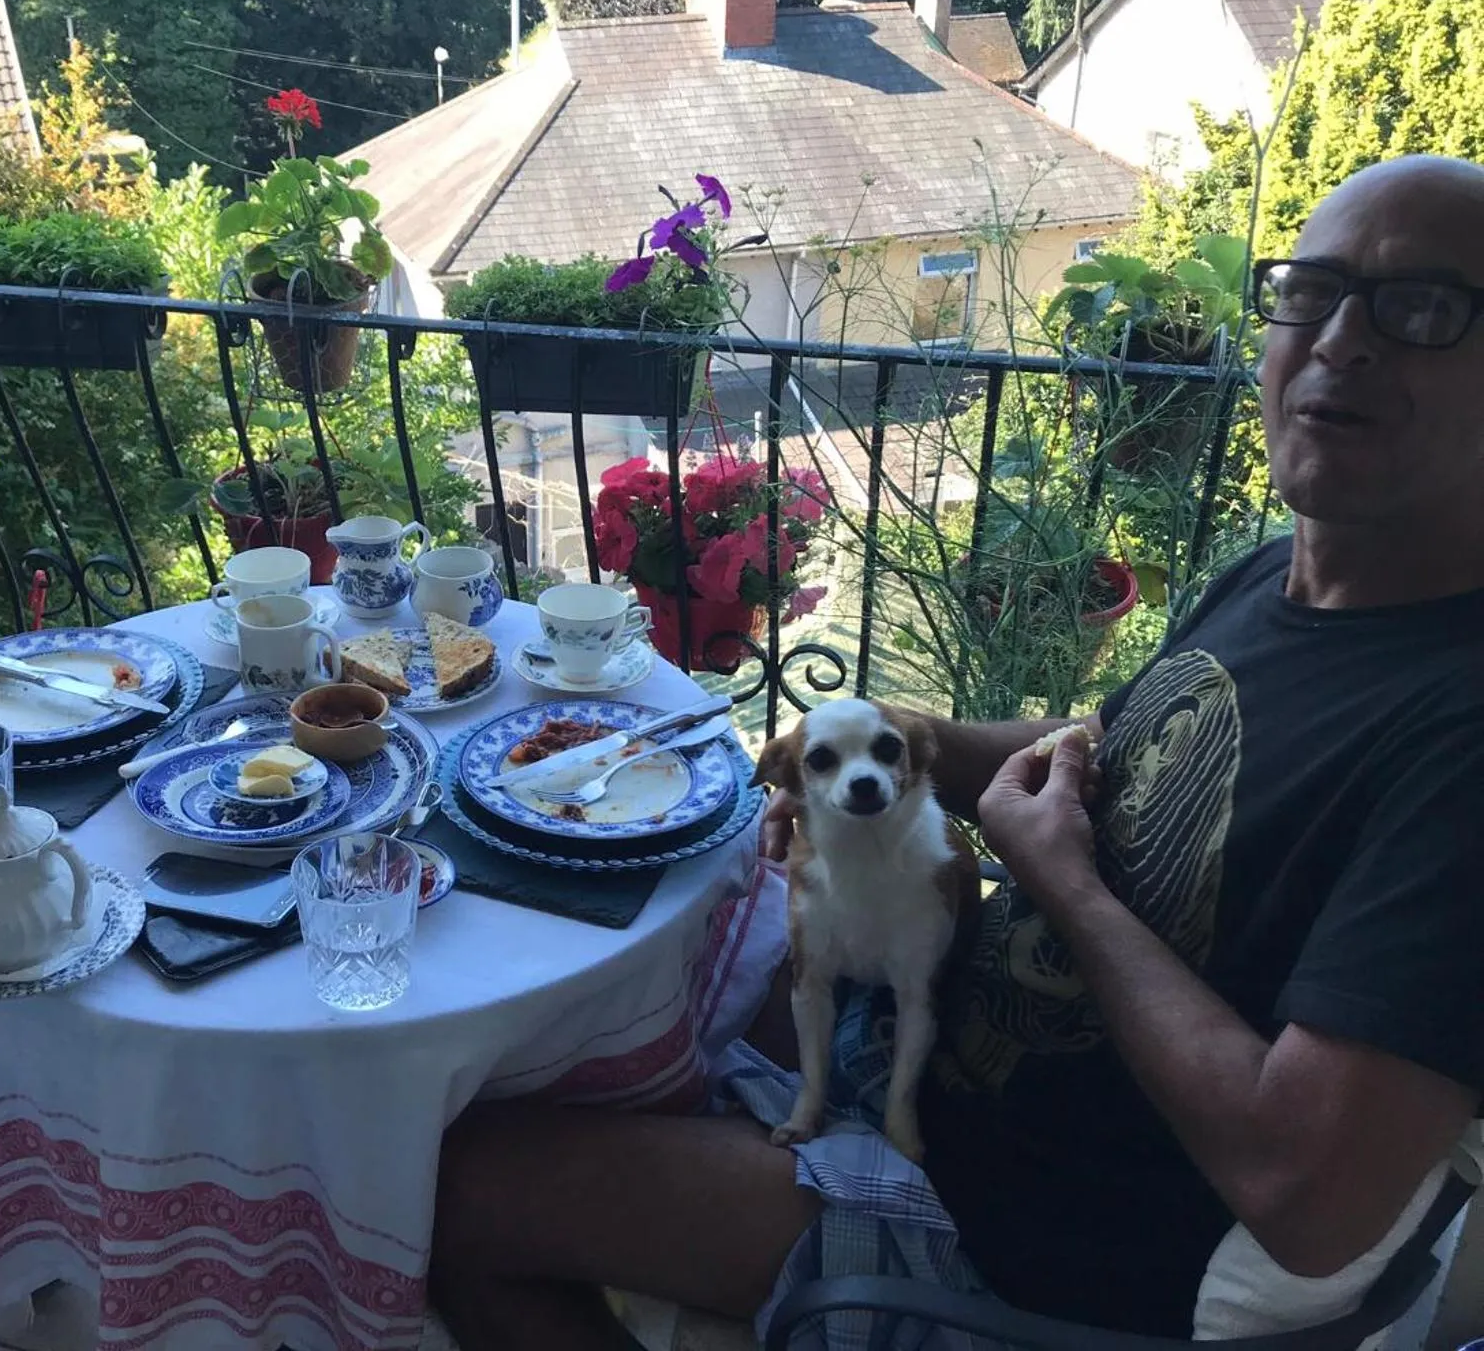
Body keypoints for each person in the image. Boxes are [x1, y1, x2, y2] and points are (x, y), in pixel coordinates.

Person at [428, 154, 1484, 1348]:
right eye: (1312, 288)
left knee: (457, 1185)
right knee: (541, 1021)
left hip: (1012, 1233)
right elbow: (1113, 758)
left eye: (1419, 307)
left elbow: (1307, 1197)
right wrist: (896, 743)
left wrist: (1060, 885)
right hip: (917, 1039)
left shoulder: (1455, 736)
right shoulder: (1278, 576)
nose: (1339, 338)